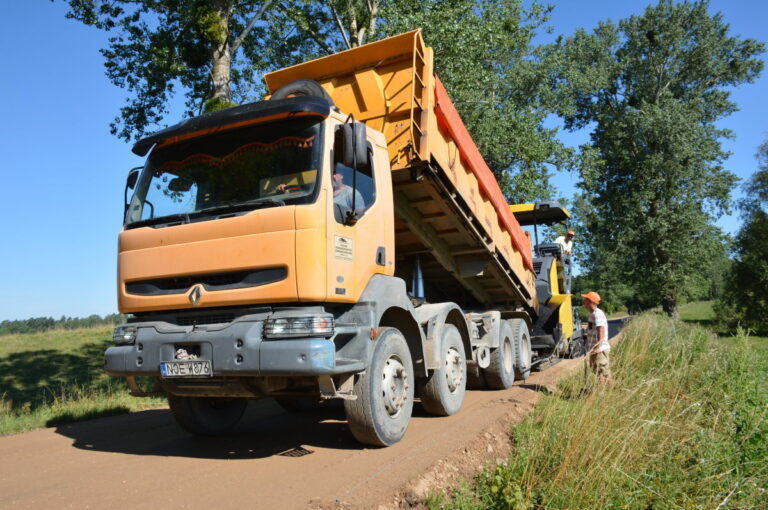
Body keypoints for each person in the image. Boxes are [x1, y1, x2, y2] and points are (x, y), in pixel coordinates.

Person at [582, 291, 613, 386]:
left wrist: (597, 347)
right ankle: (605, 393)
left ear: (591, 302)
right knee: (600, 372)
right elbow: (596, 330)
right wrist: (588, 336)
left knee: (603, 373)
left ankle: (606, 393)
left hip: (600, 350)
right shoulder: (593, 314)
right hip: (596, 349)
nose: (584, 302)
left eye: (585, 300)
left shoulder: (597, 314)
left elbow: (601, 331)